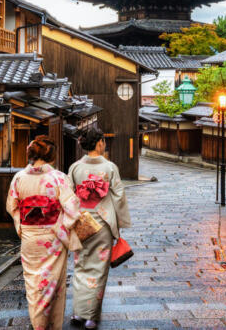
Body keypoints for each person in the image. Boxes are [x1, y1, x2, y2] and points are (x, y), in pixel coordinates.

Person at [6, 135, 82, 330]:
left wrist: (22, 226)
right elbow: (72, 210)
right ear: (52, 156)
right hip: (53, 238)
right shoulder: (58, 178)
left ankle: (38, 323)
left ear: (31, 155)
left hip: (30, 238)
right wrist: (62, 224)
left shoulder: (19, 178)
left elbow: (12, 207)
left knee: (33, 285)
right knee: (54, 284)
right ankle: (50, 326)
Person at [68, 126, 131, 329]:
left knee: (80, 266)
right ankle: (91, 317)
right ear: (99, 143)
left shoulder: (75, 167)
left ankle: (78, 313)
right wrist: (119, 224)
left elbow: (69, 196)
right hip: (103, 223)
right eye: (103, 141)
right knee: (98, 270)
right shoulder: (110, 167)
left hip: (82, 222)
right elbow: (119, 196)